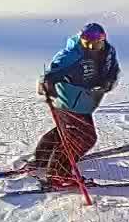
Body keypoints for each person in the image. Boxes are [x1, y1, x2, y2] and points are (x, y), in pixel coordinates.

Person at [28, 23, 120, 189]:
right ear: (80, 40)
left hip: (85, 102)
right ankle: (58, 174)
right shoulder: (71, 55)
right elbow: (50, 74)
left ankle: (42, 159)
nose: (92, 47)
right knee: (84, 138)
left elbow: (113, 70)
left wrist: (108, 82)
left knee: (67, 131)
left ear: (103, 40)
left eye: (96, 43)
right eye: (87, 43)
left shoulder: (108, 52)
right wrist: (45, 84)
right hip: (67, 101)